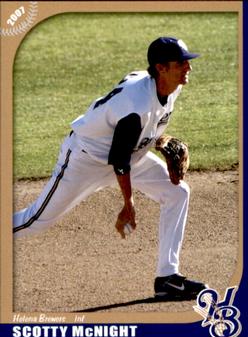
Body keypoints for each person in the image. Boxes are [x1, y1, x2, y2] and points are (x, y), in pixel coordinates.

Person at [13, 37, 208, 299]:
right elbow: (119, 159)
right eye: (181, 63)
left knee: (177, 193)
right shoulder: (135, 107)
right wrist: (128, 205)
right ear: (161, 67)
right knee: (34, 221)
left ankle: (168, 279)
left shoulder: (169, 86)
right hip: (85, 161)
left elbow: (139, 128)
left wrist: (159, 141)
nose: (188, 68)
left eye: (187, 61)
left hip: (127, 154)